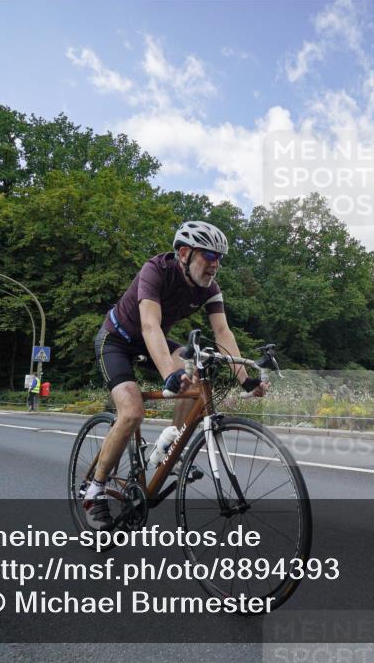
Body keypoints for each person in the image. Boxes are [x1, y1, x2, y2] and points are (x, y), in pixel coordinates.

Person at [86, 221, 267, 530]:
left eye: (219, 258)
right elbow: (150, 326)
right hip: (117, 340)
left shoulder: (209, 288)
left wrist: (245, 378)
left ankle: (171, 442)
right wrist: (169, 373)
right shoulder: (155, 270)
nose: (215, 264)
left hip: (150, 341)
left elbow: (222, 332)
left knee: (195, 374)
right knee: (131, 413)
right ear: (184, 253)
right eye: (209, 255)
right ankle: (95, 489)